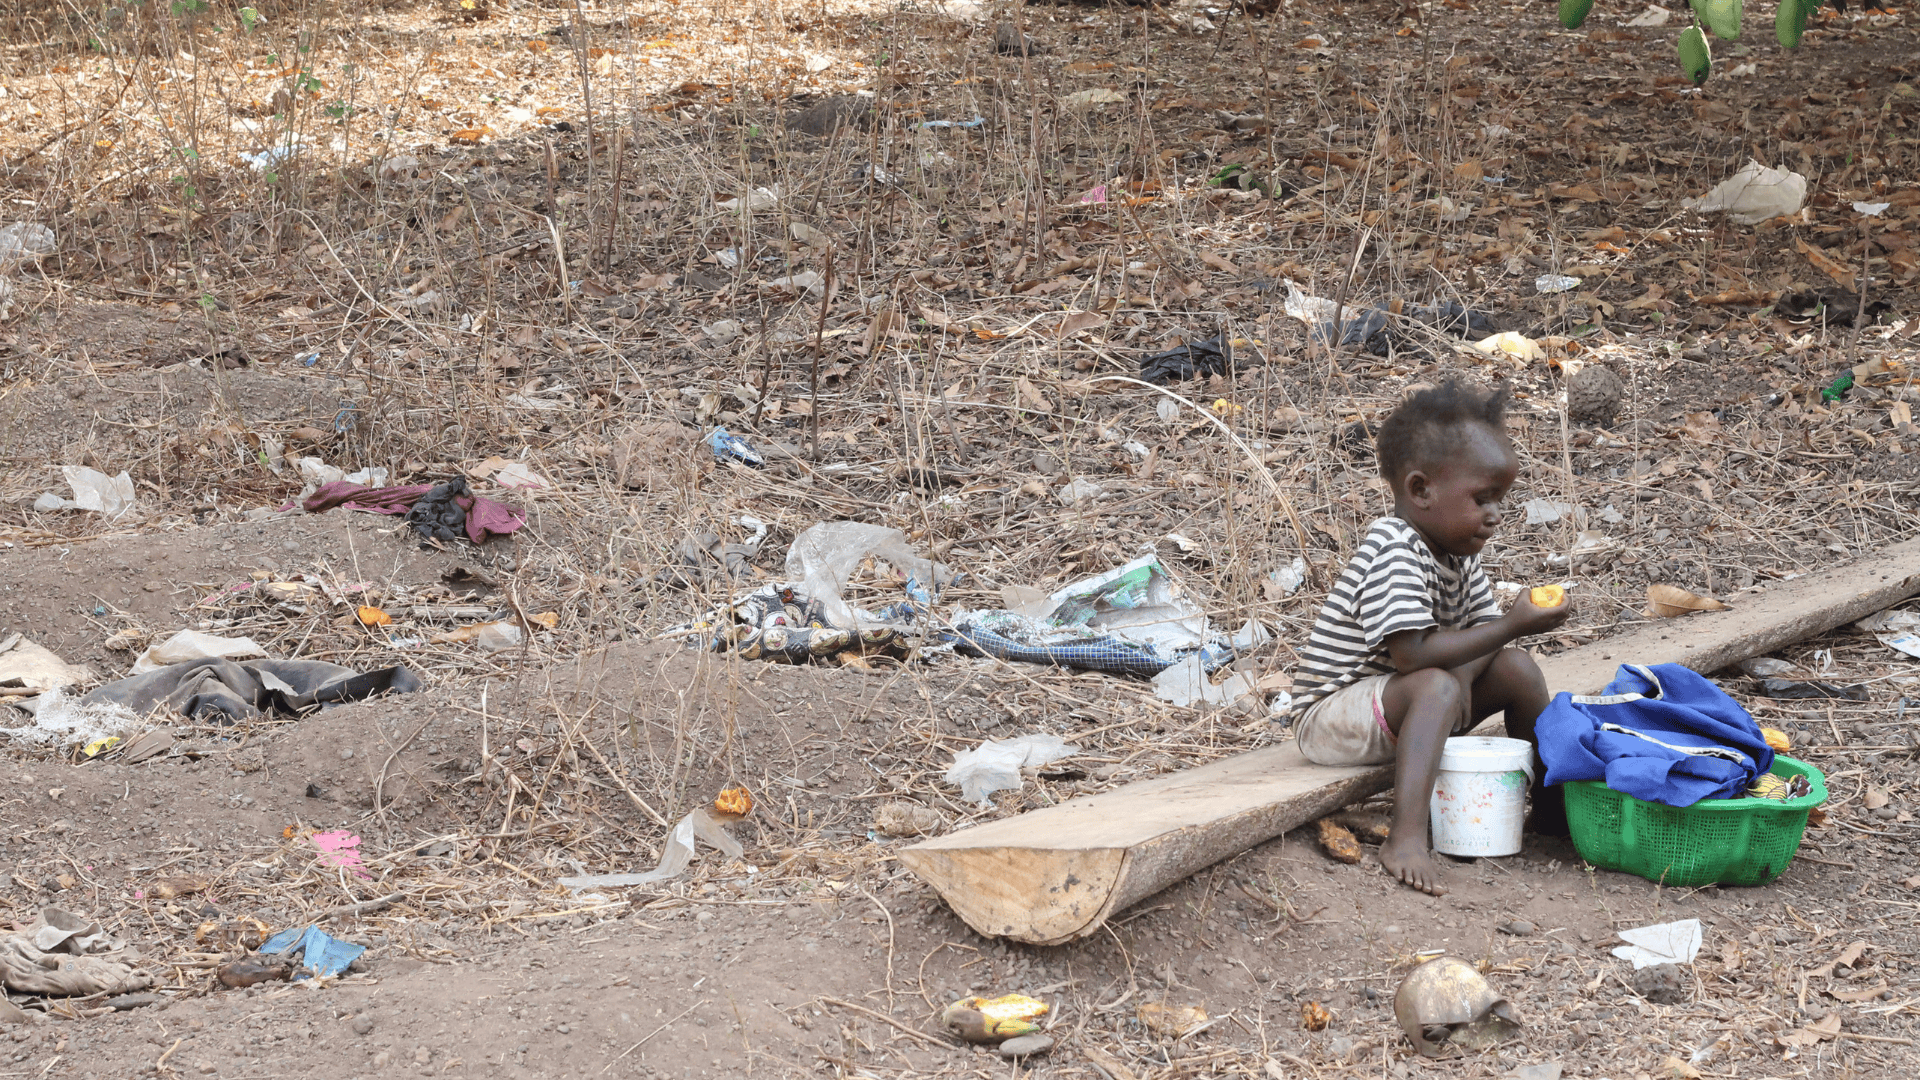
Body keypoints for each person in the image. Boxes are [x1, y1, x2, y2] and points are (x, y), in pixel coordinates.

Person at [1287, 378, 1570, 895]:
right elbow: (1410, 655)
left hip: (1404, 699)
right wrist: (1510, 625)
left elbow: (1485, 636)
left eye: (1500, 499)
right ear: (1421, 490)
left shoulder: (1457, 554)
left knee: (1517, 667)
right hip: (1330, 719)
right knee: (1438, 683)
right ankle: (1406, 837)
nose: (1494, 515)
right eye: (1482, 498)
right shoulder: (1394, 545)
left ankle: (1553, 809)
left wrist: (1495, 645)